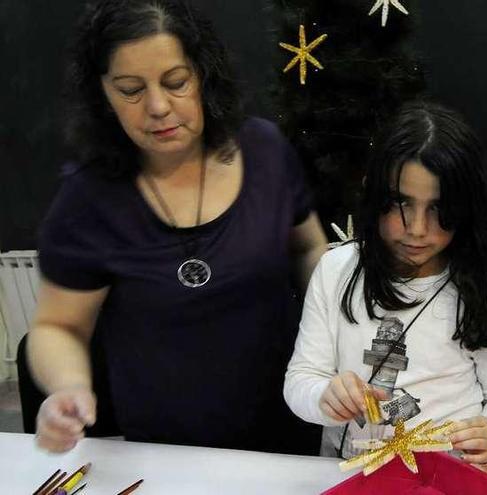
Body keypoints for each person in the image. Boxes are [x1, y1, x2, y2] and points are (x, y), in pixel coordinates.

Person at [28, 0, 327, 455]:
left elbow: (310, 252)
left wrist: (340, 334)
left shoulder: (265, 150)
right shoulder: (88, 200)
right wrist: (68, 388)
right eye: (130, 90)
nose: (158, 107)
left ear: (203, 74)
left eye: (176, 82)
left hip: (289, 435)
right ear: (102, 95)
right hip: (168, 451)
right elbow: (57, 326)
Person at [284, 101, 487, 465]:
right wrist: (323, 396)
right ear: (376, 196)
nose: (417, 229)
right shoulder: (335, 270)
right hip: (351, 474)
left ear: (464, 209)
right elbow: (301, 378)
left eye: (438, 208)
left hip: (448, 477)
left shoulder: (483, 289)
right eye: (401, 203)